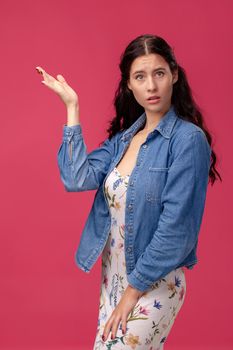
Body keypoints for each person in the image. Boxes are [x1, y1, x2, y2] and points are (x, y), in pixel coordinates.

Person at [36, 34, 221, 350]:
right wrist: (72, 108)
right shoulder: (124, 141)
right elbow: (76, 177)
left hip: (153, 283)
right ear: (129, 85)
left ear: (174, 75)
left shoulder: (188, 141)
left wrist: (132, 293)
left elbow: (177, 230)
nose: (151, 86)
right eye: (140, 76)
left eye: (159, 73)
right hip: (114, 282)